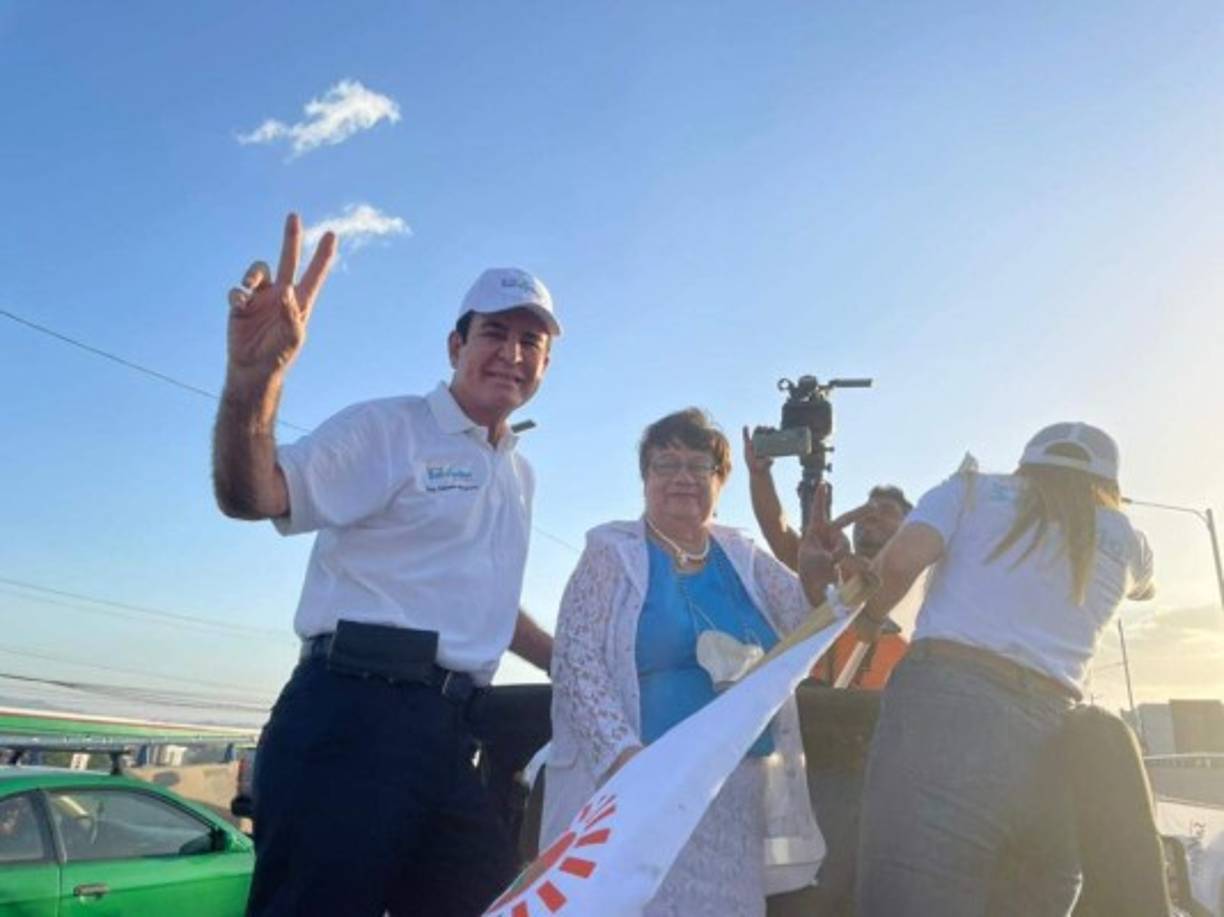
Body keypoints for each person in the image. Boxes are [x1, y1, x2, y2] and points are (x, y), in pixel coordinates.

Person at [212, 214, 559, 916]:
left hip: (450, 736)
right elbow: (253, 494)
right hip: (349, 718)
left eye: (532, 340)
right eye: (494, 332)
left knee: (496, 903)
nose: (512, 353)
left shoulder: (516, 475)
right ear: (455, 343)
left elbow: (482, 604)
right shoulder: (390, 428)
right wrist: (254, 383)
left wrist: (576, 663)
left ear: (546, 364)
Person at [543, 408, 846, 916]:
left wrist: (816, 580)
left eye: (699, 465)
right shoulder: (610, 551)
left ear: (720, 481)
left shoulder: (742, 555)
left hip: (733, 793)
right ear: (644, 480)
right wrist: (626, 761)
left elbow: (807, 634)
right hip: (642, 787)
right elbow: (577, 658)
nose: (683, 476)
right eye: (665, 464)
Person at [852, 422, 1156, 917]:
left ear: (1025, 464)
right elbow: (1145, 588)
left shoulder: (969, 490)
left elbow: (901, 563)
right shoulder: (1128, 537)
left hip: (947, 713)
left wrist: (866, 623)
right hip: (1057, 735)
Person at [741, 429, 911, 689]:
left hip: (891, 715)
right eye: (867, 510)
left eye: (886, 511)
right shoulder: (832, 569)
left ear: (911, 525)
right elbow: (782, 537)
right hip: (820, 708)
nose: (871, 516)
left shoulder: (927, 583)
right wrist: (760, 476)